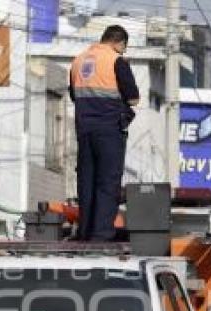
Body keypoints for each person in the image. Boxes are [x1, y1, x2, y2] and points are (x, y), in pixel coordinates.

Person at [69, 25, 140, 241]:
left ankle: (85, 232)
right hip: (109, 129)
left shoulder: (78, 61)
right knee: (107, 182)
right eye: (123, 48)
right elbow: (134, 99)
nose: (122, 52)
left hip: (84, 129)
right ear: (119, 43)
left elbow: (74, 95)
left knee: (86, 181)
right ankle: (101, 234)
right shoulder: (116, 61)